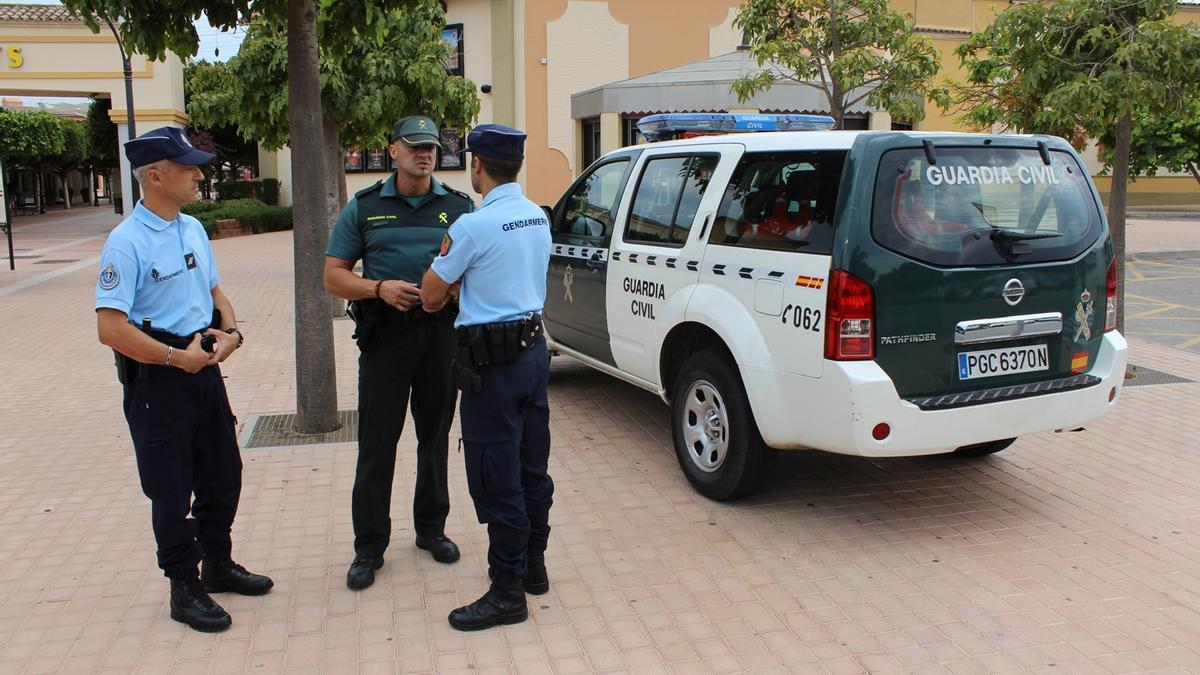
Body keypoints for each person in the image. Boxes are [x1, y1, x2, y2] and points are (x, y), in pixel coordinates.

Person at [94, 127, 272, 633]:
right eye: (187, 167)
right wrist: (177, 359)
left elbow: (216, 292)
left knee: (224, 473)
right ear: (155, 175)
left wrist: (232, 331)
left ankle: (217, 562)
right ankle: (183, 586)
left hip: (202, 371)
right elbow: (110, 327)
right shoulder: (126, 243)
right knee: (171, 490)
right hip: (159, 382)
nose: (199, 173)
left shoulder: (190, 227)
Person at [323, 115, 474, 591]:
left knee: (435, 437)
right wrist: (378, 288)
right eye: (414, 147)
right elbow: (333, 275)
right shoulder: (366, 207)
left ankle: (431, 529)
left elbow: (478, 266)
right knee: (376, 443)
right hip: (386, 338)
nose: (424, 153)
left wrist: (453, 289)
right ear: (393, 151)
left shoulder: (458, 206)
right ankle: (369, 546)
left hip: (440, 335)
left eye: (431, 146)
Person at [419, 124, 554, 631]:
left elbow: (432, 294)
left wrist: (456, 289)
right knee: (530, 467)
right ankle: (534, 567)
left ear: (477, 165)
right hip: (532, 356)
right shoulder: (536, 216)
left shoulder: (473, 226)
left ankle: (506, 592)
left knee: (497, 474)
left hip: (490, 368)